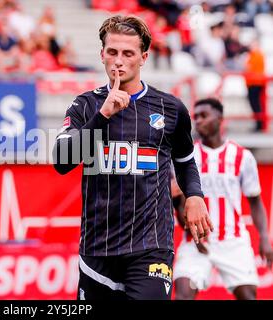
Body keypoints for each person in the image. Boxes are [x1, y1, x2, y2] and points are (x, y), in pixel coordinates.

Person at [52, 15, 212, 300]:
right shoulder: (84, 105)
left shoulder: (171, 108)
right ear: (102, 55)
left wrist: (195, 195)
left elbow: (185, 161)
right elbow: (62, 162)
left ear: (143, 57)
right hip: (97, 249)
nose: (118, 61)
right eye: (112, 52)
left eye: (128, 53)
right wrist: (103, 116)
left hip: (151, 245)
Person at [173, 98, 273, 300]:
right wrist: (192, 229)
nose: (198, 121)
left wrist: (264, 237)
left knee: (248, 296)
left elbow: (255, 201)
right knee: (183, 294)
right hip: (196, 240)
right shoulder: (187, 156)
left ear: (220, 119)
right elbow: (179, 200)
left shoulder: (242, 156)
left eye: (204, 116)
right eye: (196, 117)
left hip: (232, 240)